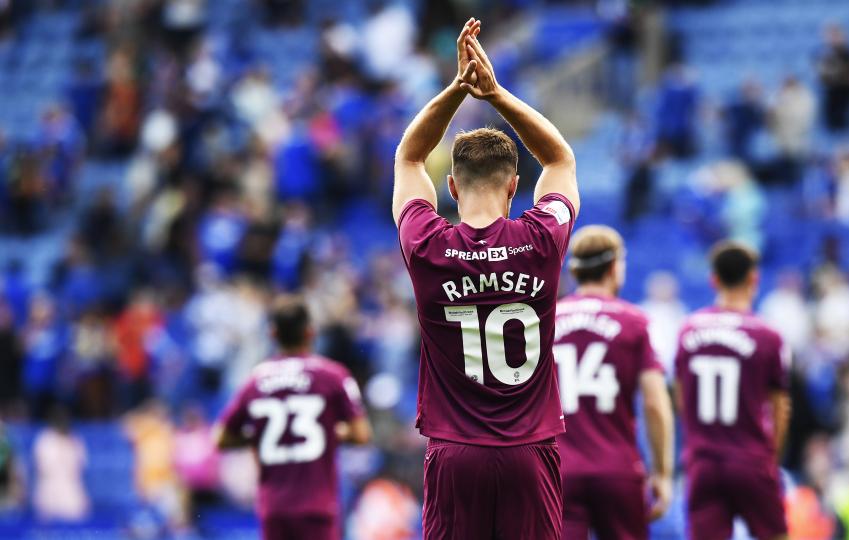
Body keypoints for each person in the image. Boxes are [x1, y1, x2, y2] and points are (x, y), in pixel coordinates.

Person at [393, 18, 578, 540]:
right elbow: (560, 158)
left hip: (456, 454)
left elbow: (408, 157)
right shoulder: (542, 240)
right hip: (528, 452)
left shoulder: (427, 244)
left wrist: (457, 89)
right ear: (515, 186)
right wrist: (494, 94)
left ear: (450, 187)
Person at [215, 295, 371, 540]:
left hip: (274, 506)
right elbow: (361, 434)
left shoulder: (255, 380)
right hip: (316, 504)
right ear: (310, 332)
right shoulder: (332, 375)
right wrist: (327, 430)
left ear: (272, 334)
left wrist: (262, 434)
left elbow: (222, 438)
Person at [553, 225, 674, 540]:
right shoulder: (634, 322)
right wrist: (662, 472)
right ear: (613, 267)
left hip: (558, 470)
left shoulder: (546, 320)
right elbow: (655, 402)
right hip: (617, 467)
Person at [675, 241, 792, 540]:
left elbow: (680, 395)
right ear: (754, 278)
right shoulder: (768, 335)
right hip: (749, 457)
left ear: (713, 279)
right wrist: (772, 457)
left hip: (703, 460)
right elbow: (780, 407)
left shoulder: (689, 330)